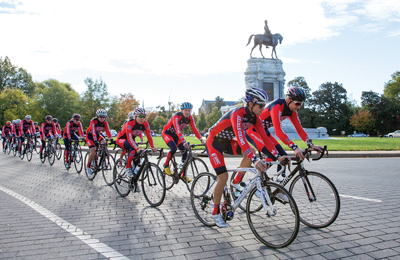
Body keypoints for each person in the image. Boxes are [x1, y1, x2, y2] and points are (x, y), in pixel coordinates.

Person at [205, 87, 290, 228]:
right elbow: (241, 138)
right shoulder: (237, 114)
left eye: (264, 105)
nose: (264, 108)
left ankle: (236, 181)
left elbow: (266, 139)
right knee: (223, 177)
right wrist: (255, 160)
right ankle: (215, 213)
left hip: (227, 143)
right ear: (250, 103)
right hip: (214, 143)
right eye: (261, 106)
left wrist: (278, 156)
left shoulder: (255, 118)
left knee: (251, 151)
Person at [250, 87, 323, 161]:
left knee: (285, 158)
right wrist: (295, 147)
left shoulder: (292, 110)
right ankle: (258, 170)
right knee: (274, 156)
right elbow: (278, 132)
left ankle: (271, 171)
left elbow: (299, 129)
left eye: (301, 104)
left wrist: (311, 145)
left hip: (264, 132)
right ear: (288, 100)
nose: (299, 107)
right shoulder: (277, 106)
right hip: (252, 131)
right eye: (297, 103)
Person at [162, 102, 204, 182]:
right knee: (173, 148)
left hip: (176, 135)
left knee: (185, 151)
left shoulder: (190, 118)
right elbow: (178, 130)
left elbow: (194, 129)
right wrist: (184, 141)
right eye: (185, 110)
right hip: (167, 133)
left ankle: (183, 175)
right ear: (181, 110)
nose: (188, 112)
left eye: (189, 110)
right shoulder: (176, 117)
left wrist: (202, 140)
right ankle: (166, 165)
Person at [116, 108, 157, 182]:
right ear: (135, 116)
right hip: (121, 139)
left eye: (144, 116)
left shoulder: (145, 124)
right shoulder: (130, 123)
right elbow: (129, 138)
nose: (142, 118)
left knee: (137, 160)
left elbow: (149, 137)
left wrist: (153, 147)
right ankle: (127, 167)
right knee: (133, 149)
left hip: (130, 140)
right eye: (140, 116)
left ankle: (134, 181)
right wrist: (137, 148)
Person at [85, 109, 113, 175]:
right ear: (98, 116)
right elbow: (93, 131)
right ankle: (88, 166)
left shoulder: (105, 122)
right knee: (93, 150)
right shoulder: (93, 121)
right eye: (101, 117)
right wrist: (95, 140)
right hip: (90, 136)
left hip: (97, 135)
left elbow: (107, 131)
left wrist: (111, 138)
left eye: (104, 117)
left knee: (104, 143)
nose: (102, 118)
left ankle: (103, 158)